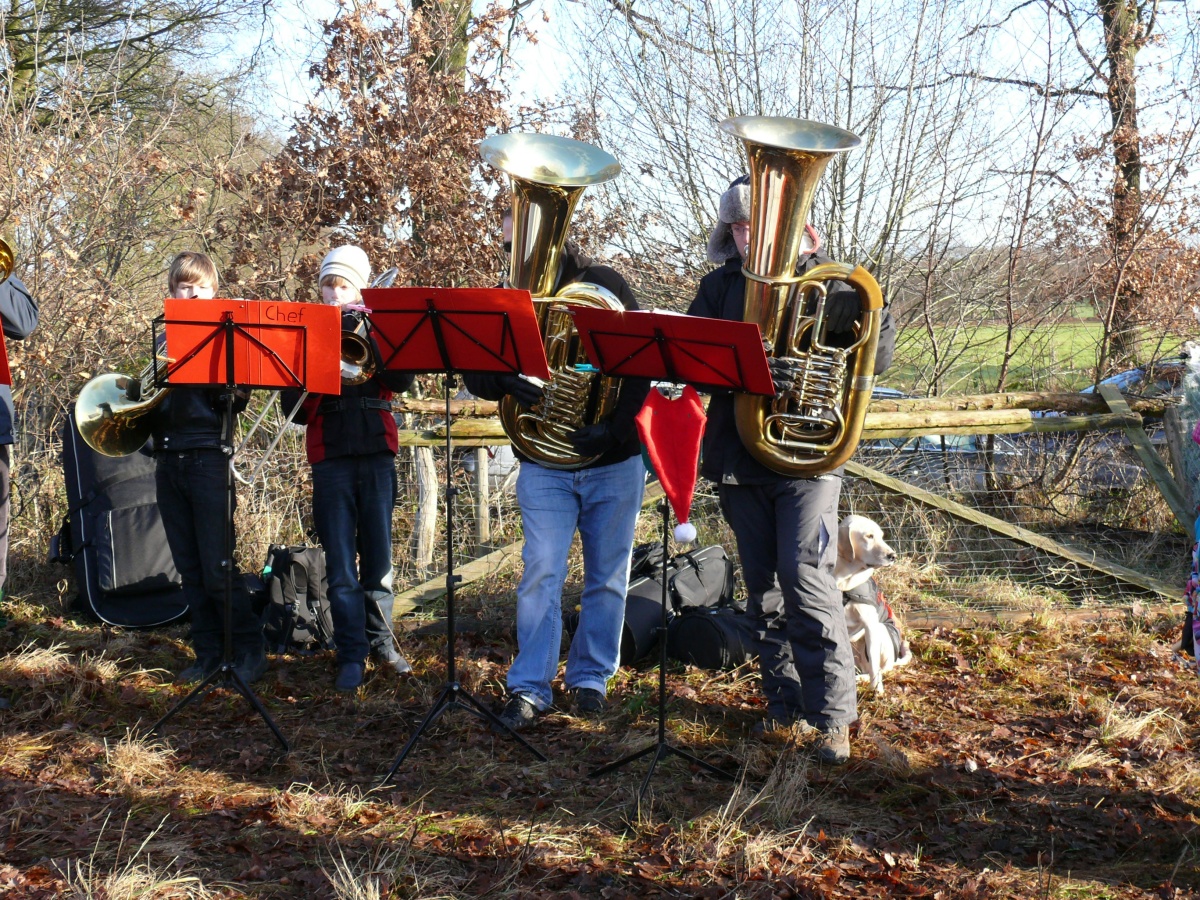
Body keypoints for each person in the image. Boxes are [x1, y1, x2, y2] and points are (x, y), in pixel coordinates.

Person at [687, 176, 896, 764]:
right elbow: (693, 367)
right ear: (729, 233)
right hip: (740, 457)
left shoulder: (836, 282)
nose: (750, 235)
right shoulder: (719, 287)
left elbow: (875, 356)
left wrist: (826, 337)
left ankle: (832, 717)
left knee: (807, 581)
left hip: (807, 459)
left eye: (761, 224)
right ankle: (783, 705)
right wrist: (748, 371)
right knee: (764, 591)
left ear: (804, 229)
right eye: (739, 226)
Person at [465, 213, 651, 730]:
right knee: (541, 571)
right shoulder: (505, 298)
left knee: (608, 577)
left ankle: (590, 680)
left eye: (522, 242)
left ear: (556, 236)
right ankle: (529, 687)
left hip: (611, 460)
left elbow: (641, 363)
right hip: (543, 460)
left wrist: (614, 429)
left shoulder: (606, 285)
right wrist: (503, 378)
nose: (514, 257)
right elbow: (474, 371)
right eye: (506, 247)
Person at [280, 245, 415, 692]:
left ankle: (384, 644)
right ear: (319, 289)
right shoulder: (304, 333)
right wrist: (318, 355)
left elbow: (401, 381)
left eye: (343, 284)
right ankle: (351, 653)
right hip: (330, 455)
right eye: (328, 284)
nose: (335, 292)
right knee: (340, 563)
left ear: (359, 287)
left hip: (376, 451)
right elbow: (292, 411)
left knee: (379, 558)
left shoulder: (379, 324)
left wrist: (373, 334)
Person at [151, 251, 266, 685]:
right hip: (167, 459)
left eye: (200, 286)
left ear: (214, 292)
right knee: (189, 568)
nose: (192, 293)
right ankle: (208, 653)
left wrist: (223, 379)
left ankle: (249, 649)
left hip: (207, 459)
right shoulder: (159, 340)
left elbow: (237, 402)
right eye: (184, 286)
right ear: (172, 292)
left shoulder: (230, 339)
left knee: (218, 568)